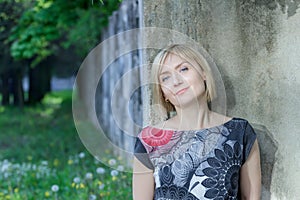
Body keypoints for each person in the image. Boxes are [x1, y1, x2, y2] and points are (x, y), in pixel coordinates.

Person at [132, 44, 261, 200]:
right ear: (163, 93)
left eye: (183, 69)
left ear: (204, 73)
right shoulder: (148, 141)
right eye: (165, 78)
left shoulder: (240, 132)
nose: (176, 81)